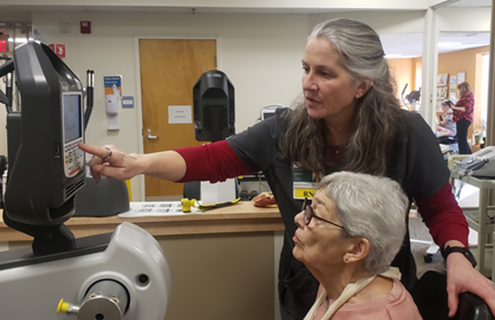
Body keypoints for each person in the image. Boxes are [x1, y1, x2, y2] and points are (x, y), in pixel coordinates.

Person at [79, 18, 495, 320]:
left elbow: (440, 209)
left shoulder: (405, 133)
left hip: (377, 289)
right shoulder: (286, 129)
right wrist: (136, 163)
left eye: (324, 73)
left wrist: (458, 256)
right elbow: (215, 158)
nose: (307, 83)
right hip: (305, 290)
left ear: (362, 84)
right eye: (305, 68)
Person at [294, 172, 421, 320]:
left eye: (315, 215)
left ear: (355, 249)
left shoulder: (380, 315)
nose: (298, 218)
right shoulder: (334, 281)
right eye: (309, 207)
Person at [451, 81, 474, 154]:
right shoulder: (466, 97)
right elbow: (461, 109)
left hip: (464, 119)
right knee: (462, 138)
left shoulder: (468, 97)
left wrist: (454, 107)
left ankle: (463, 155)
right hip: (462, 119)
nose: (459, 92)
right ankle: (468, 154)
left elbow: (466, 109)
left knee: (461, 139)